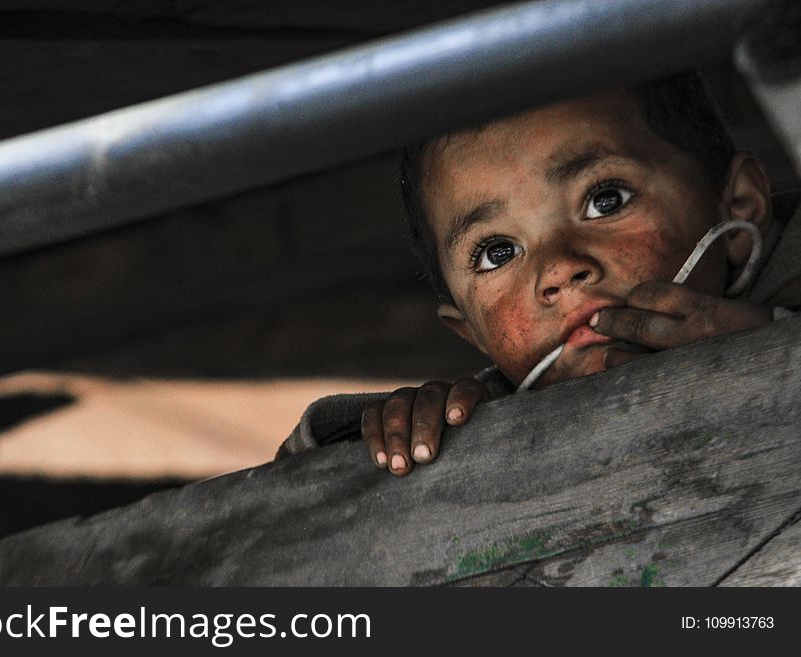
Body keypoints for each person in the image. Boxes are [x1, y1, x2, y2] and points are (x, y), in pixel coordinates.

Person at [276, 70, 801, 474]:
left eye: (604, 199)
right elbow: (277, 510)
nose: (559, 270)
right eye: (497, 253)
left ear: (738, 206)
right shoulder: (483, 413)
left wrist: (776, 353)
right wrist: (419, 433)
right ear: (471, 333)